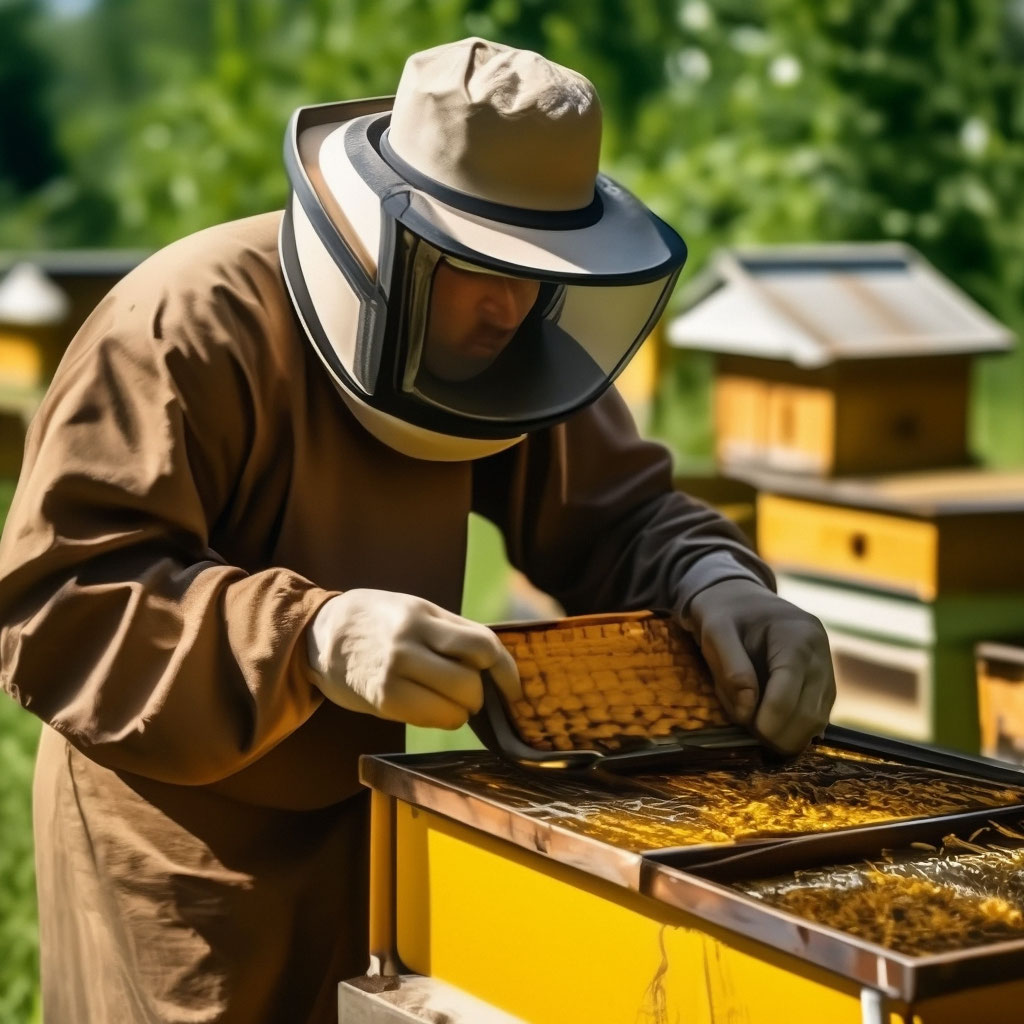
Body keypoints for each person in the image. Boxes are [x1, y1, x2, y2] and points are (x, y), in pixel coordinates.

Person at [0, 37, 835, 1024]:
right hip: (180, 841)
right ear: (383, 236)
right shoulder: (184, 323)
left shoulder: (508, 336)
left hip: (369, 823)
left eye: (542, 268)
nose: (513, 304)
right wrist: (310, 636)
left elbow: (621, 515)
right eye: (481, 265)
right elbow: (60, 602)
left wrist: (714, 582)